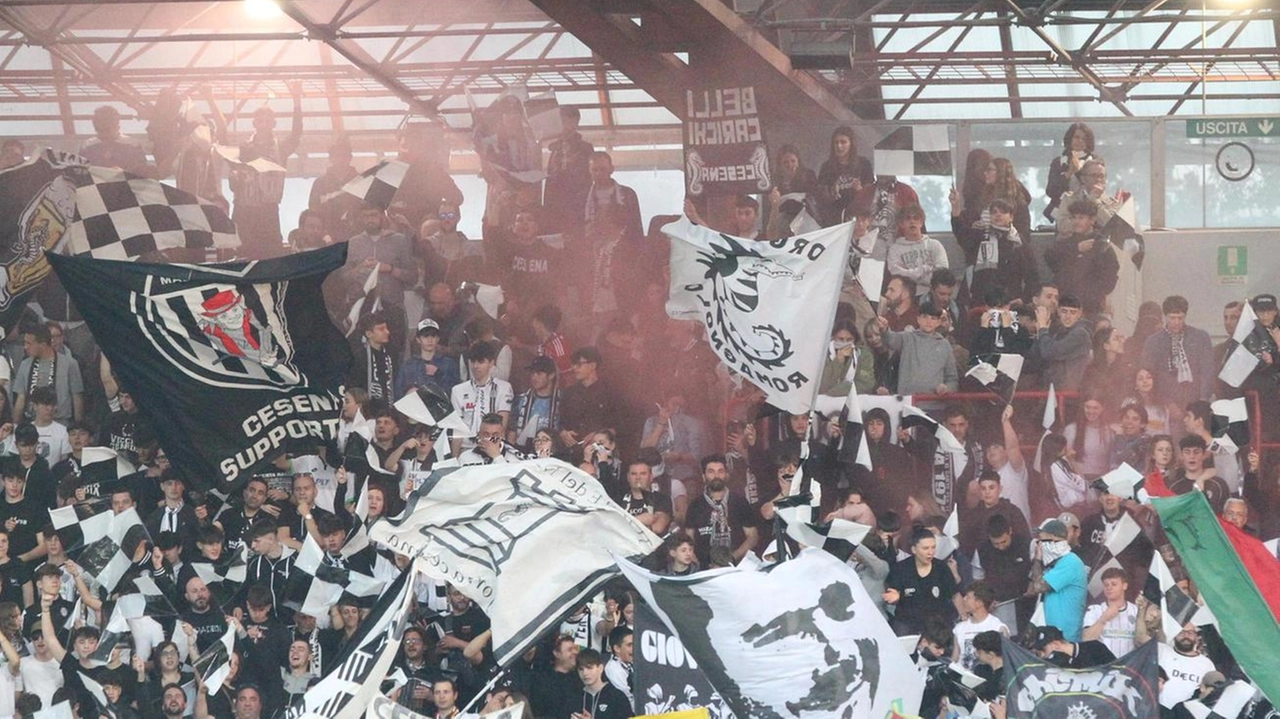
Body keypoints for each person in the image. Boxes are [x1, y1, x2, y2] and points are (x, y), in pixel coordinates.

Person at [227, 83, 303, 259]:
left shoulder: (280, 149)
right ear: (254, 123)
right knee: (241, 255)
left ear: (273, 124)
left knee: (271, 255)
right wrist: (236, 178)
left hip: (268, 211)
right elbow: (234, 181)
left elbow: (296, 133)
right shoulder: (243, 148)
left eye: (268, 120)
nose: (263, 124)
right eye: (260, 120)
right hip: (244, 210)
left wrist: (297, 100)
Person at [1044, 198, 1119, 317]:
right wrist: (1076, 249)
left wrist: (1098, 294)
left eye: (1081, 218)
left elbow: (1111, 275)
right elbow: (1049, 257)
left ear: (1092, 220)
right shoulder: (1065, 243)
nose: (1076, 222)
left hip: (1090, 307)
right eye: (1074, 217)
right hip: (1064, 304)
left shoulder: (1102, 246)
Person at [883, 527, 960, 636]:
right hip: (908, 622)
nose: (930, 552)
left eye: (933, 548)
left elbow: (954, 595)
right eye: (925, 548)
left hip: (937, 622)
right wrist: (895, 598)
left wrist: (964, 619)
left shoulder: (941, 568)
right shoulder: (900, 569)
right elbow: (892, 594)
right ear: (914, 549)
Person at [1141, 295, 1215, 409]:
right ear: (1165, 317)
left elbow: (1207, 371)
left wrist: (1203, 400)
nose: (1176, 322)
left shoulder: (1200, 337)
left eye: (1180, 318)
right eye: (1172, 318)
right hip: (1165, 405)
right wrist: (1166, 402)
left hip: (1195, 401)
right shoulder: (1153, 342)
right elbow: (1150, 374)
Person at [684, 455, 758, 564]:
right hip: (705, 567)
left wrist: (733, 557)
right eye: (711, 472)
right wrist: (698, 564)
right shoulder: (695, 505)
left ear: (726, 475)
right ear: (703, 476)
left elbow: (753, 536)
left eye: (720, 471)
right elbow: (688, 539)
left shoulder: (740, 502)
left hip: (736, 566)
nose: (716, 476)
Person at [877, 303, 957, 398]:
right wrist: (885, 329)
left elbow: (952, 378)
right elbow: (890, 339)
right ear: (918, 319)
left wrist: (947, 388)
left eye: (933, 318)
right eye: (925, 317)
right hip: (907, 401)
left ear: (938, 322)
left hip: (934, 404)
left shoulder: (945, 345)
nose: (928, 321)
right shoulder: (907, 338)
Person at [1026, 518, 1087, 642]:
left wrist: (1038, 559)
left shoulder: (1070, 562)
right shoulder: (1054, 565)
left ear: (1053, 539)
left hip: (1066, 637)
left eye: (1041, 540)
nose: (1039, 545)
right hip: (1050, 637)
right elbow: (1032, 589)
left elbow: (1038, 587)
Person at [450, 342, 514, 453]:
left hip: (493, 448)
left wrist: (496, 454)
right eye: (473, 361)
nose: (475, 366)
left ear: (491, 363)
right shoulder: (457, 390)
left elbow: (502, 424)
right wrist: (454, 459)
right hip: (466, 449)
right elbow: (457, 429)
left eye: (481, 362)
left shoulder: (503, 388)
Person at [13, 323, 84, 423]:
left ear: (42, 345)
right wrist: (16, 426)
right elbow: (21, 397)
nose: (25, 347)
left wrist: (77, 426)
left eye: (29, 343)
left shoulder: (69, 364)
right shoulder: (25, 364)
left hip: (60, 422)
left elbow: (77, 397)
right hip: (31, 423)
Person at [543, 106, 594, 235]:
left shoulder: (585, 148)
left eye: (567, 121)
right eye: (561, 121)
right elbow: (550, 179)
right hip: (555, 207)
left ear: (576, 123)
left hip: (577, 206)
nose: (564, 126)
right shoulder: (554, 148)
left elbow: (588, 178)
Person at [815, 126, 873, 227]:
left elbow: (871, 193)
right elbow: (821, 198)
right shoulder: (826, 167)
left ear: (851, 144)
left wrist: (860, 190)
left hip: (858, 218)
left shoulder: (864, 164)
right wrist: (832, 193)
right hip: (833, 219)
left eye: (843, 142)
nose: (839, 146)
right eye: (836, 142)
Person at [885, 205, 947, 296]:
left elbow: (943, 273)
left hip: (933, 296)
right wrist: (924, 270)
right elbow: (897, 274)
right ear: (901, 224)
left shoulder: (935, 245)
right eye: (908, 218)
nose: (912, 221)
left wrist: (913, 276)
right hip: (908, 296)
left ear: (921, 222)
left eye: (916, 218)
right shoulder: (895, 249)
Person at [1034, 294, 1091, 391]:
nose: (1068, 317)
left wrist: (1043, 329)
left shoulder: (1080, 334)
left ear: (1079, 314)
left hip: (1068, 393)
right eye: (1064, 311)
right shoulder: (1058, 332)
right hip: (1055, 390)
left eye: (1073, 312)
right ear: (1058, 311)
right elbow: (1038, 356)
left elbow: (1048, 352)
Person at [1082, 567, 1139, 658]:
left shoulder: (1136, 610)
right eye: (1106, 585)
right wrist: (1103, 619)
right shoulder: (1095, 610)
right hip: (1104, 665)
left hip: (1129, 666)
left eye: (1114, 584)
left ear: (1124, 586)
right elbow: (1086, 639)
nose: (1109, 588)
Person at [1044, 122, 1097, 220]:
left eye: (1084, 139)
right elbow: (1051, 191)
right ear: (1070, 138)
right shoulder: (1058, 162)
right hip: (1064, 213)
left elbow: (1097, 187)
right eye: (1077, 137)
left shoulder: (1094, 161)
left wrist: (1080, 172)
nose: (1080, 141)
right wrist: (1068, 173)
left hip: (1087, 213)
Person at [1167, 435, 1229, 515]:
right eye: (1187, 452)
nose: (1192, 456)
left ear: (1204, 455)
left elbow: (1226, 517)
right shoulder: (1173, 486)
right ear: (1181, 455)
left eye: (1196, 452)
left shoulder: (1219, 485)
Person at [953, 581, 1008, 670]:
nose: (964, 599)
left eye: (968, 597)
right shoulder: (959, 628)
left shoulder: (998, 628)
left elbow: (1003, 661)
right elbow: (955, 659)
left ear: (979, 603)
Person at [1159, 623, 1217, 709]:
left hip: (1185, 713)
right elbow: (1140, 638)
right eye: (1181, 632)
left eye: (1190, 633)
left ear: (1196, 637)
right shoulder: (1162, 650)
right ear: (1174, 635)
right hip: (1156, 710)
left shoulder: (1207, 664)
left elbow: (1210, 693)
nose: (1186, 635)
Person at [79, 105, 149, 175]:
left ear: (117, 127)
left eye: (106, 130)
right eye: (99, 130)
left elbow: (142, 172)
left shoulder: (133, 145)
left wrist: (123, 173)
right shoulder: (87, 146)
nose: (103, 134)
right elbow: (80, 172)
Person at [618, 459, 672, 536]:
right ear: (628, 477)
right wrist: (640, 519)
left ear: (651, 477)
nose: (638, 477)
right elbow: (613, 528)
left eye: (643, 474)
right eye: (633, 474)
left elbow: (658, 527)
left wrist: (625, 524)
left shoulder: (661, 498)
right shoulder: (619, 500)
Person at [572, 649, 630, 719]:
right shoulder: (574, 697)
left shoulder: (616, 697)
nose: (585, 673)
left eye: (589, 668)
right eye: (581, 669)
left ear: (600, 668)